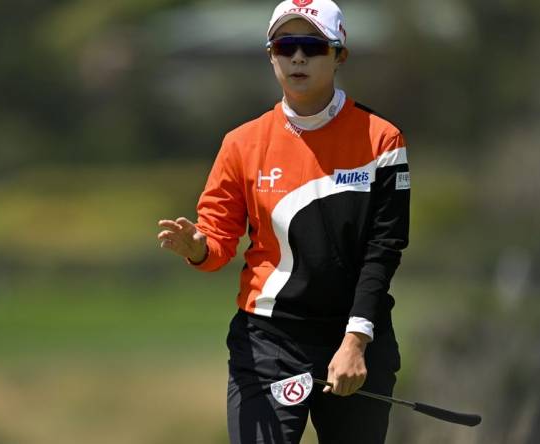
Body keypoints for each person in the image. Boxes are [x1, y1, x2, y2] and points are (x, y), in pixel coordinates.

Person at [157, 0, 409, 442]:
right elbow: (217, 241)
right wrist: (197, 246)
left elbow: (383, 250)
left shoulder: (381, 138)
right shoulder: (241, 144)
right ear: (271, 54)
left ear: (338, 55)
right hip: (268, 339)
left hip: (353, 336)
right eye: (284, 45)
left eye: (311, 46)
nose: (296, 57)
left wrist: (355, 340)